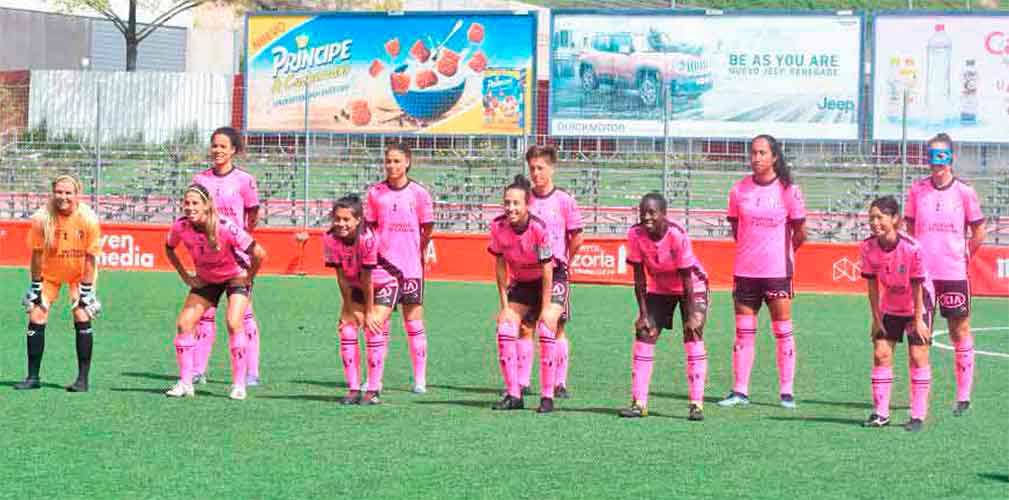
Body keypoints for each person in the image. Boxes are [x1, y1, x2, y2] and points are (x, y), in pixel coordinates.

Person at [719, 134, 807, 409]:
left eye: (762, 153)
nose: (756, 158)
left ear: (774, 157)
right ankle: (740, 391)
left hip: (777, 271)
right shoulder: (739, 190)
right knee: (743, 333)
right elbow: (737, 229)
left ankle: (786, 392)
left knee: (782, 331)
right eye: (753, 153)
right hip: (745, 271)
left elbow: (800, 232)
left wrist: (782, 255)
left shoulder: (788, 191)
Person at [904, 133, 985, 416]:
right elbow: (910, 229)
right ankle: (919, 399)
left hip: (953, 274)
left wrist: (964, 256)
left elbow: (978, 231)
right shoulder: (917, 190)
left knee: (958, 330)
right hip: (923, 277)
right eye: (932, 155)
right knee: (918, 334)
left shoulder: (965, 192)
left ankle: (963, 396)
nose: (937, 160)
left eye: (942, 154)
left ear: (951, 157)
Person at [164, 184, 266, 401]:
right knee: (184, 324)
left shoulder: (225, 227)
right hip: (207, 279)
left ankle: (239, 385)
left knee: (233, 322)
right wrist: (185, 276)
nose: (190, 208)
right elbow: (168, 247)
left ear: (207, 206)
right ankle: (185, 383)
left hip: (235, 276)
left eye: (195, 203)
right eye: (187, 203)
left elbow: (258, 252)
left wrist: (249, 277)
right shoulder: (181, 227)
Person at [619, 193, 708, 421]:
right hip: (660, 288)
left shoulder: (676, 234)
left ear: (664, 215)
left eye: (652, 212)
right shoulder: (635, 234)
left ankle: (696, 404)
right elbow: (639, 278)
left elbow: (687, 277)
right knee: (644, 332)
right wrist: (643, 314)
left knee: (692, 332)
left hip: (692, 287)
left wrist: (692, 315)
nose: (646, 217)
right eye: (643, 213)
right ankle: (639, 403)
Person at [191, 127, 264, 386]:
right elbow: (195, 211)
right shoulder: (201, 179)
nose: (218, 150)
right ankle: (198, 369)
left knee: (243, 314)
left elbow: (253, 213)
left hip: (237, 255)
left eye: (223, 146)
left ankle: (251, 372)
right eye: (214, 145)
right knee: (205, 312)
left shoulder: (244, 180)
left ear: (234, 150)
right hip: (209, 254)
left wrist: (243, 237)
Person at [17, 174, 102, 392]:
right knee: (36, 314)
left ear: (77, 195)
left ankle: (82, 380)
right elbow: (36, 255)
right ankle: (33, 377)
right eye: (59, 192)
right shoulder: (41, 217)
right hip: (49, 274)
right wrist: (35, 286)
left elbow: (91, 258)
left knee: (81, 313)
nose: (63, 197)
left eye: (68, 193)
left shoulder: (89, 219)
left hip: (79, 274)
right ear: (53, 192)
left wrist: (86, 291)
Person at [860, 196, 935, 431]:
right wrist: (875, 318)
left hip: (919, 302)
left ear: (895, 219)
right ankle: (881, 413)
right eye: (871, 217)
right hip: (890, 304)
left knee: (917, 354)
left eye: (880, 217)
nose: (874, 222)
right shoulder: (867, 247)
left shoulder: (912, 248)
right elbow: (871, 286)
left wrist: (919, 320)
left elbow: (917, 286)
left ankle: (918, 416)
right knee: (881, 353)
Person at [488, 175, 562, 413]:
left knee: (547, 327)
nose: (511, 208)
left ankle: (548, 397)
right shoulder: (498, 227)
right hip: (522, 282)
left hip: (551, 278)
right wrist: (505, 307)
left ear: (527, 205)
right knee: (505, 327)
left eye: (516, 203)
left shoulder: (539, 228)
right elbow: (499, 267)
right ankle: (514, 394)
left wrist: (545, 308)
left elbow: (548, 269)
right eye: (507, 203)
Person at [365, 143, 434, 394]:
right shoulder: (376, 193)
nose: (392, 166)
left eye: (396, 161)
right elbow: (371, 230)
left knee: (413, 322)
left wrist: (417, 249)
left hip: (411, 268)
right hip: (382, 268)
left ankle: (419, 379)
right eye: (388, 161)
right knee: (378, 324)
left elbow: (427, 228)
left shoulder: (419, 193)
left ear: (407, 162)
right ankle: (375, 379)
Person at [323, 195, 399, 406]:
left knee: (373, 327)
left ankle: (373, 390)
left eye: (346, 219)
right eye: (337, 218)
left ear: (358, 220)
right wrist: (346, 309)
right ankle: (354, 389)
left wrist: (369, 312)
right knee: (347, 329)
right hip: (356, 286)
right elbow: (341, 277)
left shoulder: (367, 238)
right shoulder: (330, 238)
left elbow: (368, 279)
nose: (341, 224)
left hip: (384, 285)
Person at [525, 145, 582, 399]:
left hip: (556, 271)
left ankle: (559, 383)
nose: (536, 173)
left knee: (555, 326)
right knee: (525, 327)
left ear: (552, 168)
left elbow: (577, 236)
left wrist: (565, 259)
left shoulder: (564, 200)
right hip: (528, 272)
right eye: (532, 168)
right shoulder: (524, 199)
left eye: (541, 168)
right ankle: (524, 381)